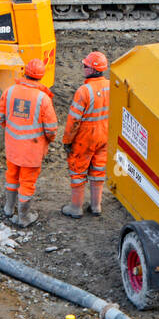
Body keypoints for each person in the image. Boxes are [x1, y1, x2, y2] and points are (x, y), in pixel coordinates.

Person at [0, 59, 57, 227]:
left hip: (13, 147)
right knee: (27, 183)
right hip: (32, 150)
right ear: (41, 76)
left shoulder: (10, 91)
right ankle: (23, 217)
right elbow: (51, 129)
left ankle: (8, 208)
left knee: (12, 176)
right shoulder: (43, 99)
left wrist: (11, 131)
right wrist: (48, 141)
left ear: (25, 72)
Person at [61, 51, 110, 219]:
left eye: (85, 65)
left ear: (91, 69)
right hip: (105, 135)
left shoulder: (84, 91)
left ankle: (76, 208)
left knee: (78, 173)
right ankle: (96, 206)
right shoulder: (111, 86)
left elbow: (73, 121)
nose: (83, 68)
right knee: (98, 170)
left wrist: (67, 141)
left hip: (85, 137)